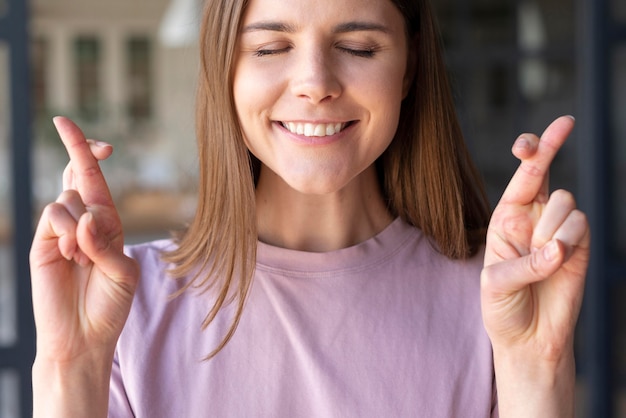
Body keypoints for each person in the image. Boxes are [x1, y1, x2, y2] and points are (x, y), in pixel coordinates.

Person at [29, 0, 590, 416]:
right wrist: (69, 364)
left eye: (358, 48)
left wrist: (536, 366)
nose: (316, 83)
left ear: (409, 68)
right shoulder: (127, 306)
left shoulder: (493, 302)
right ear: (224, 68)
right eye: (271, 48)